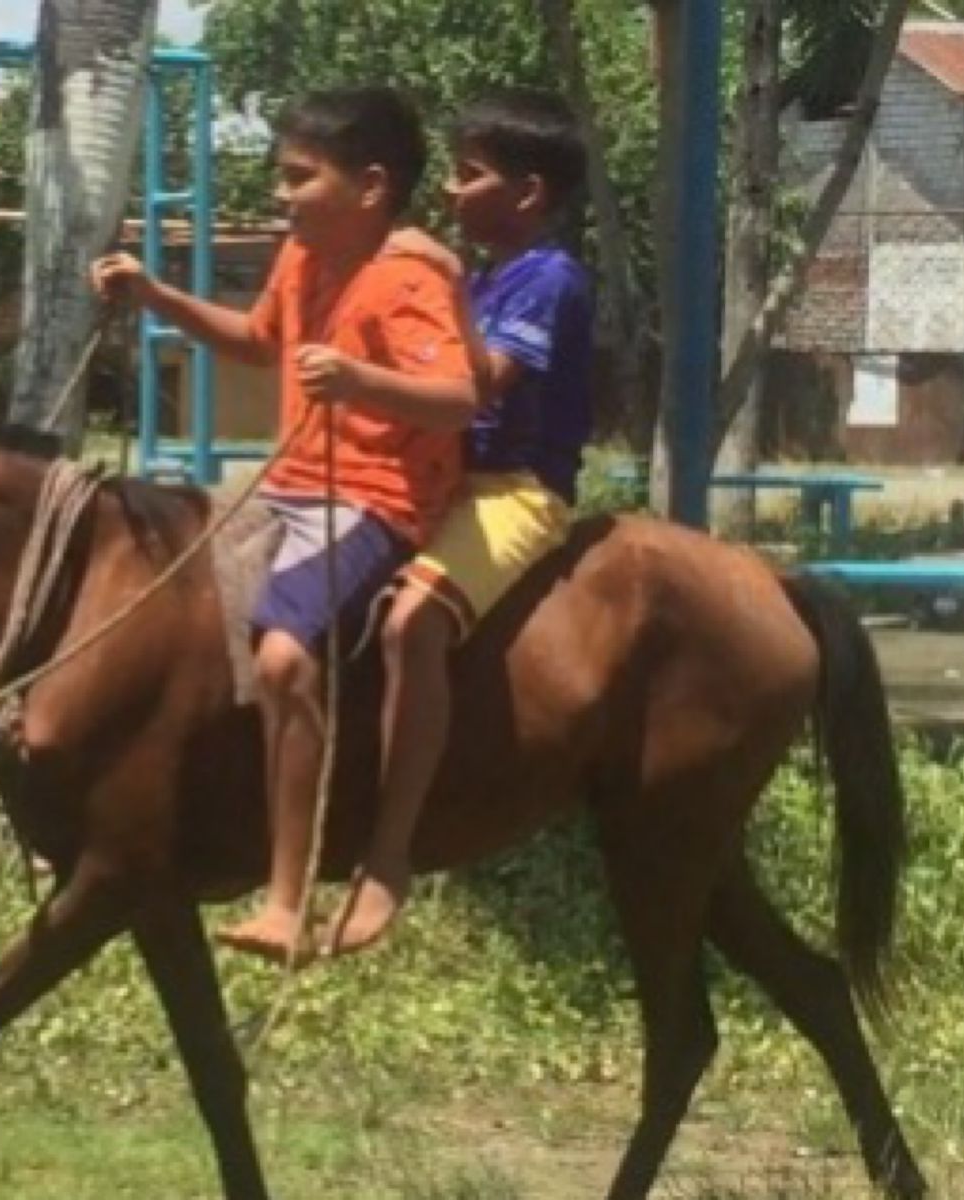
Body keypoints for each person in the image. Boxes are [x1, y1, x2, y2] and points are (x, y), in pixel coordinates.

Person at [93, 85, 477, 965]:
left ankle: (288, 898)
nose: (281, 195)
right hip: (286, 488)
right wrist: (154, 294)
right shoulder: (303, 258)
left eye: (300, 178)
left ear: (371, 186)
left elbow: (457, 400)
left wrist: (360, 382)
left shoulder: (408, 277)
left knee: (282, 656)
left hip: (373, 499)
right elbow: (257, 340)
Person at [328, 88, 595, 957]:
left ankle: (390, 854)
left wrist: (436, 279)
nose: (448, 191)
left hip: (515, 490)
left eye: (468, 175)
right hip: (441, 478)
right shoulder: (481, 276)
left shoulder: (548, 278)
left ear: (528, 194)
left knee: (411, 622)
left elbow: (482, 386)